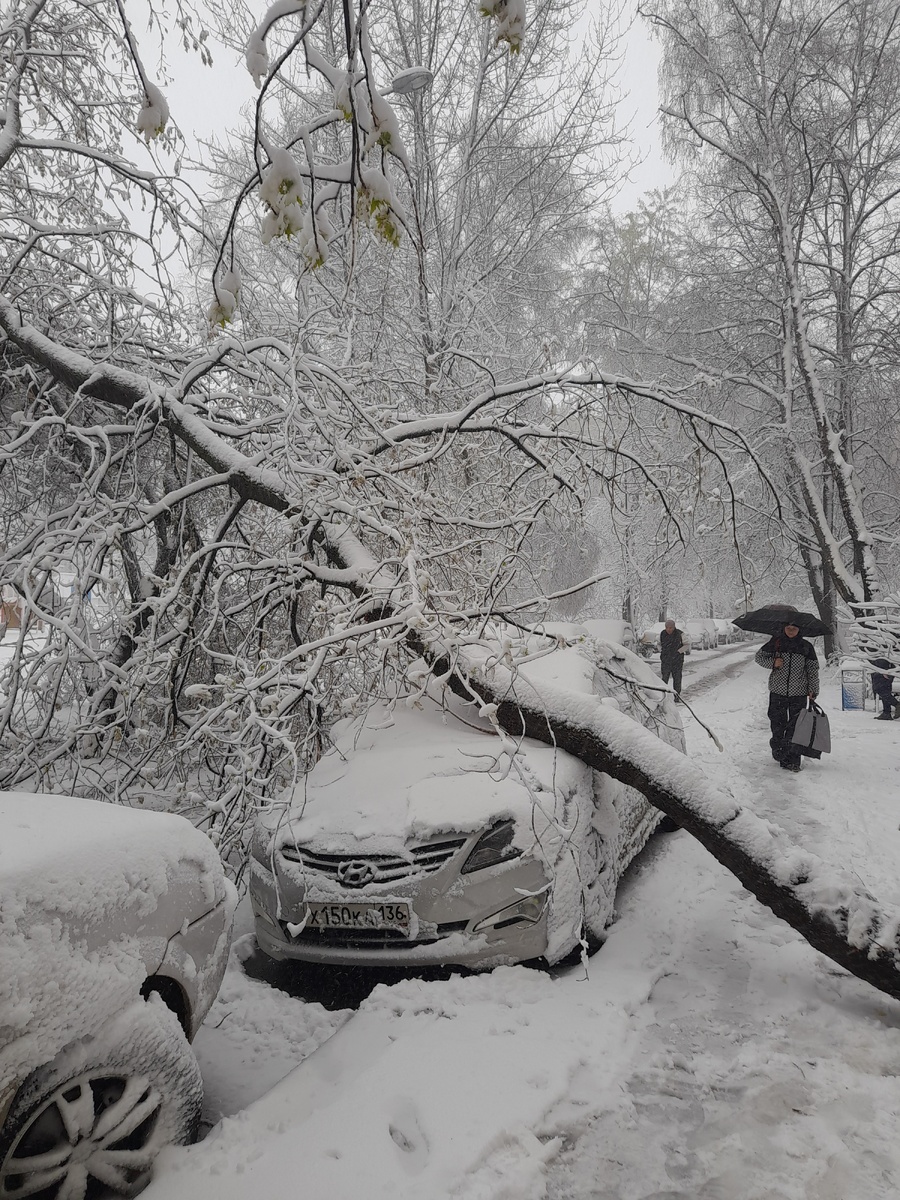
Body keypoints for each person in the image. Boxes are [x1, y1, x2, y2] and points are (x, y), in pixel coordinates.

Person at [755, 622, 819, 772]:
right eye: (788, 628)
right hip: (778, 691)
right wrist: (773, 663)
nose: (791, 631)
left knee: (795, 728)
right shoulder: (776, 643)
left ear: (799, 629)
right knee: (777, 725)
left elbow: (812, 669)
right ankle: (778, 750)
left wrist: (813, 689)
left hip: (799, 693)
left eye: (794, 628)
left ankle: (792, 760)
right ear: (784, 628)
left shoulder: (806, 647)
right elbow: (759, 658)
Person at [659, 619, 686, 702]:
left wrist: (679, 652)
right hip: (666, 660)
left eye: (670, 628)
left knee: (677, 678)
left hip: (677, 660)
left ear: (674, 627)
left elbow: (687, 644)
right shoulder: (662, 634)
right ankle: (663, 695)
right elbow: (658, 644)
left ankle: (676, 695)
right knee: (664, 678)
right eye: (667, 627)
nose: (669, 629)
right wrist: (662, 651)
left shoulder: (680, 634)